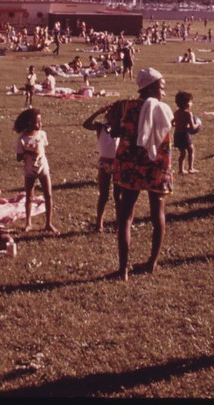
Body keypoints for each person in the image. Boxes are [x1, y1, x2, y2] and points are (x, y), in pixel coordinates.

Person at [108, 67, 174, 280]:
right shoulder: (164, 109)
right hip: (157, 166)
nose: (164, 91)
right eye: (161, 87)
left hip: (130, 166)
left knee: (126, 217)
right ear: (151, 87)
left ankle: (122, 269)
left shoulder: (125, 107)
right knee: (158, 214)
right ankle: (152, 263)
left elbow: (115, 131)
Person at [14, 108, 57, 233]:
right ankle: (28, 223)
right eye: (38, 122)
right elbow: (18, 158)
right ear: (29, 123)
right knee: (29, 196)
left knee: (48, 195)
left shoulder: (42, 134)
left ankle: (48, 223)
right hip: (29, 171)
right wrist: (28, 151)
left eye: (40, 122)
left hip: (43, 168)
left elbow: (43, 148)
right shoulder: (22, 139)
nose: (40, 124)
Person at [83, 102, 122, 232]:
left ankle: (119, 223)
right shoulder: (101, 127)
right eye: (110, 115)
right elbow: (86, 124)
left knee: (118, 195)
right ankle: (99, 223)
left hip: (118, 164)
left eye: (116, 116)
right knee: (103, 194)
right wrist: (98, 111)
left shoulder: (121, 129)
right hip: (104, 163)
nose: (113, 118)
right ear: (107, 115)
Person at [172, 91, 202, 175]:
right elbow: (193, 127)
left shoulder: (176, 112)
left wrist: (178, 125)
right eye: (190, 101)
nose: (191, 103)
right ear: (187, 104)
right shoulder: (188, 114)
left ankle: (181, 170)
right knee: (191, 150)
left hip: (177, 134)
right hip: (184, 135)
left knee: (182, 153)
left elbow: (172, 123)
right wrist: (198, 124)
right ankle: (190, 168)